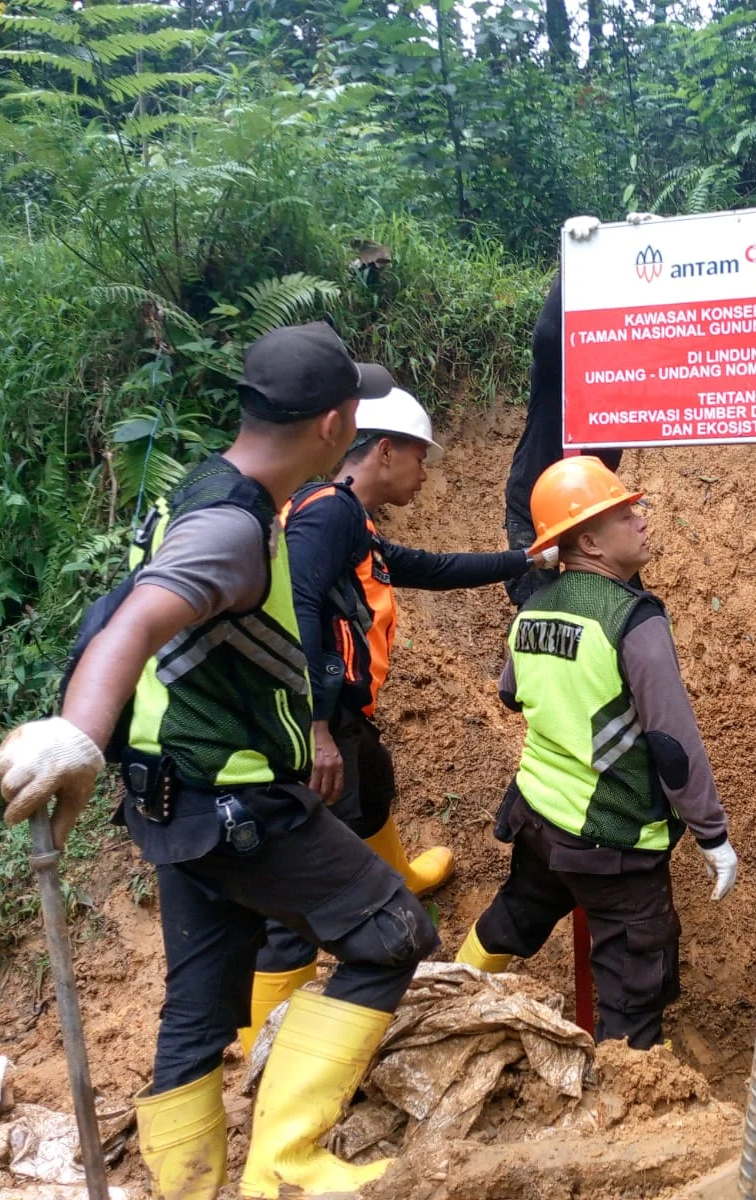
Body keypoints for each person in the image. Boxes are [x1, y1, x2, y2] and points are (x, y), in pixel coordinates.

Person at [0, 322, 439, 1200]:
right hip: (237, 803)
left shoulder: (199, 483)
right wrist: (78, 736)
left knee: (198, 1011)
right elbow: (139, 619)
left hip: (174, 802)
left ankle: (190, 1188)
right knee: (392, 933)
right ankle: (285, 1164)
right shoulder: (234, 529)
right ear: (334, 425)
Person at [237, 387, 558, 1055]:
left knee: (374, 784)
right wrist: (318, 727)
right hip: (311, 726)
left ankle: (401, 873)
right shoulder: (327, 517)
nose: (424, 472)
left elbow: (428, 568)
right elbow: (296, 603)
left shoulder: (347, 518)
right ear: (383, 450)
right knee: (306, 892)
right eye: (419, 456)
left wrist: (525, 558)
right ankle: (262, 1045)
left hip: (343, 716)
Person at [458, 456, 738, 1049]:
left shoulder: (532, 610)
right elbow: (671, 742)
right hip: (611, 835)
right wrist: (711, 834)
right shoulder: (633, 619)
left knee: (514, 916)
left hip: (539, 814)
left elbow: (512, 693)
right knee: (636, 978)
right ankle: (620, 1111)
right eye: (623, 514)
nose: (640, 519)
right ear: (588, 540)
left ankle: (450, 1004)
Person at [503, 211, 659, 606]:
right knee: (539, 613)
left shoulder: (631, 373)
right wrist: (574, 264)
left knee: (625, 613)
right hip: (536, 508)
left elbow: (679, 332)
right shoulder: (562, 368)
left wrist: (660, 247)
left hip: (595, 511)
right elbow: (548, 336)